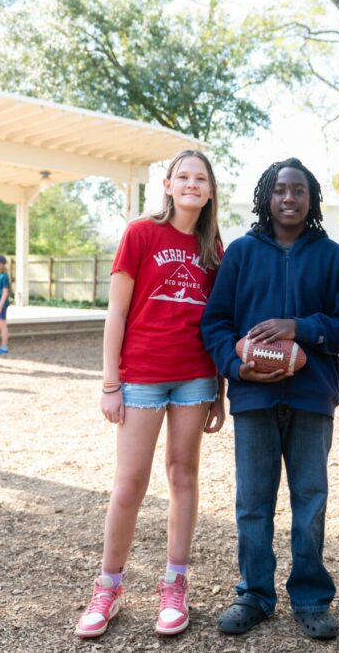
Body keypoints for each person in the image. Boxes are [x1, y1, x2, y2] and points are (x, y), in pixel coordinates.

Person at [200, 158, 339, 642]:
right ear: (266, 198)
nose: (288, 198)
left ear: (310, 199)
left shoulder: (332, 257)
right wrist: (235, 367)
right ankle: (253, 594)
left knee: (310, 500)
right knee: (253, 502)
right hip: (254, 396)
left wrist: (300, 328)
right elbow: (215, 324)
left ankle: (311, 598)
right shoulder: (243, 253)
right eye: (279, 190)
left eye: (298, 190)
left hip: (312, 397)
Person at [75, 150, 226, 640]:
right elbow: (116, 313)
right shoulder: (140, 233)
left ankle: (174, 584)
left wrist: (219, 390)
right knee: (129, 484)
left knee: (183, 475)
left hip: (194, 377)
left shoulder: (214, 248)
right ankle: (108, 587)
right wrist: (109, 383)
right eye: (183, 176)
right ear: (167, 184)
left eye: (200, 178)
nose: (191, 184)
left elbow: (218, 321)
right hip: (141, 375)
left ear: (209, 190)